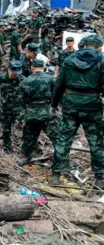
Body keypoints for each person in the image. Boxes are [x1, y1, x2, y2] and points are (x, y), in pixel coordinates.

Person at [51, 35, 104, 187]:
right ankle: (100, 177)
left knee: (64, 139)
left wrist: (53, 105)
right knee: (96, 142)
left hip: (70, 104)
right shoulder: (101, 60)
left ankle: (56, 175)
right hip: (92, 107)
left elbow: (59, 85)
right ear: (97, 46)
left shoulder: (69, 60)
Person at [18, 59, 58, 165]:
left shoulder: (24, 82)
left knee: (29, 137)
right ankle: (60, 160)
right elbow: (57, 96)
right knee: (56, 138)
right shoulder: (51, 79)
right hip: (48, 112)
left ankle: (25, 157)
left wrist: (24, 115)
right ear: (43, 67)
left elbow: (20, 101)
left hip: (31, 112)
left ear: (32, 68)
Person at [0, 60, 25, 153]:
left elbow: (28, 94)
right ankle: (7, 149)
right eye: (14, 73)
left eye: (17, 73)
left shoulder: (23, 79)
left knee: (26, 128)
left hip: (19, 110)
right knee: (6, 130)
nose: (16, 75)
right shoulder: (2, 78)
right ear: (9, 70)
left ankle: (27, 149)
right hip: (5, 110)